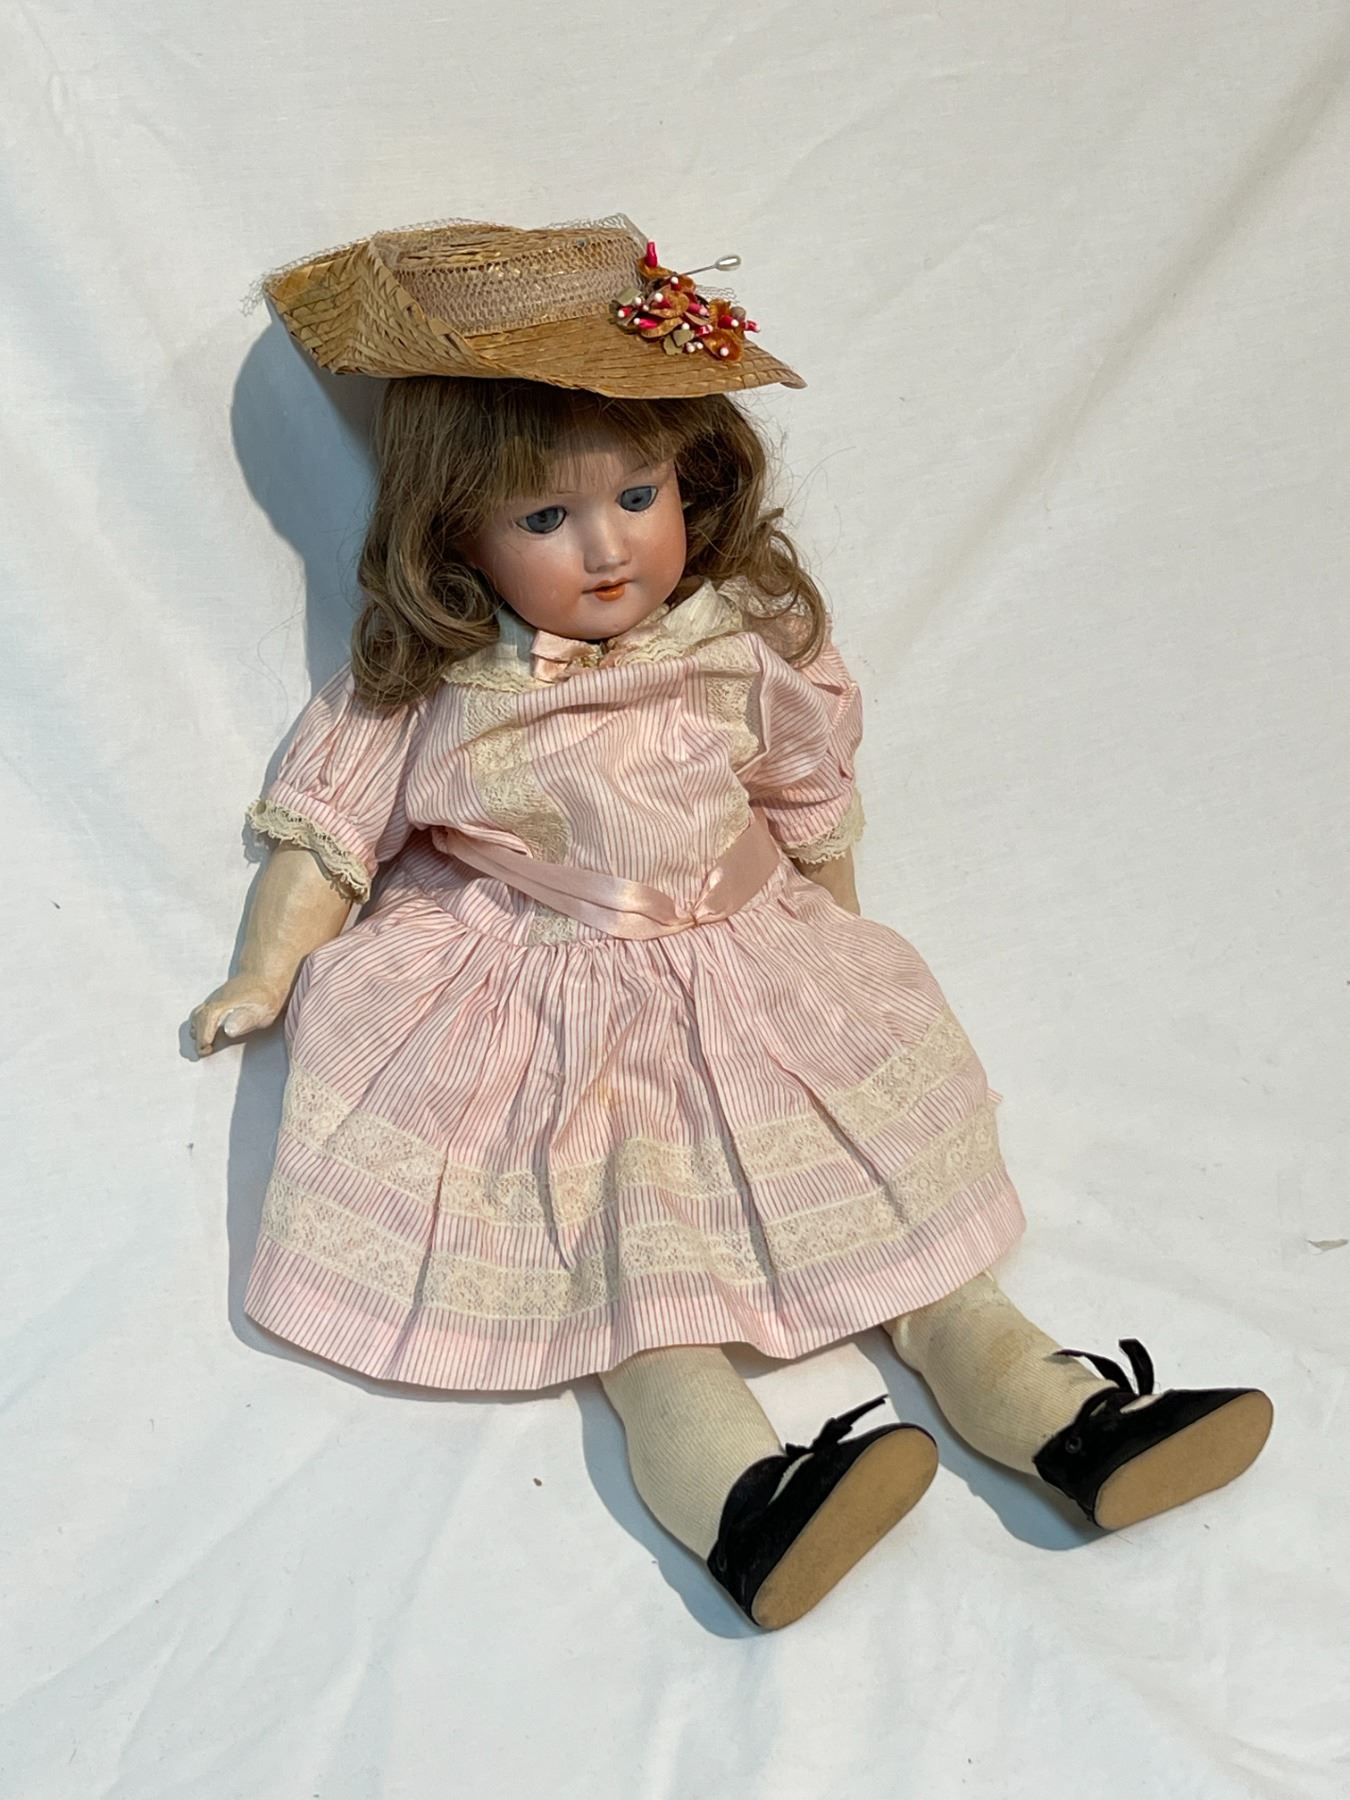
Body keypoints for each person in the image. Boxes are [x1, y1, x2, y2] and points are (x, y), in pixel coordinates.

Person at [192, 216, 1273, 1630]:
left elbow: (807, 792)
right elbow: (329, 833)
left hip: (745, 957)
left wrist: (836, 943)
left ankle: (1059, 1416)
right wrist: (266, 969)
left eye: (637, 494)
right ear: (453, 531)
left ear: (689, 475)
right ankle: (746, 1506)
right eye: (542, 520)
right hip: (545, 999)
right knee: (629, 1263)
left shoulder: (733, 642)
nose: (606, 548)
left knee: (901, 1204)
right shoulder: (436, 686)